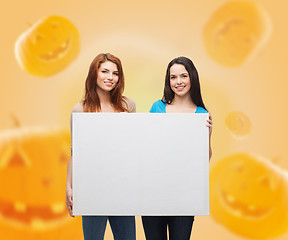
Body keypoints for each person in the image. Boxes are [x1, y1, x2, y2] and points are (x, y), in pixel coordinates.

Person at [65, 53, 136, 240]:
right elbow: (76, 153)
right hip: (92, 186)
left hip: (123, 186)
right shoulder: (80, 110)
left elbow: (135, 148)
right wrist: (69, 186)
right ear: (94, 74)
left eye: (115, 73)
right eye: (104, 71)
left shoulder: (128, 106)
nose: (110, 77)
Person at [141, 56, 212, 240]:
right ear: (168, 81)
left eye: (183, 76)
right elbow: (146, 151)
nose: (178, 82)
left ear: (192, 78)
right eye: (173, 77)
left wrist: (208, 133)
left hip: (184, 195)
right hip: (153, 193)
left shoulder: (202, 115)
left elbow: (204, 159)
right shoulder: (157, 108)